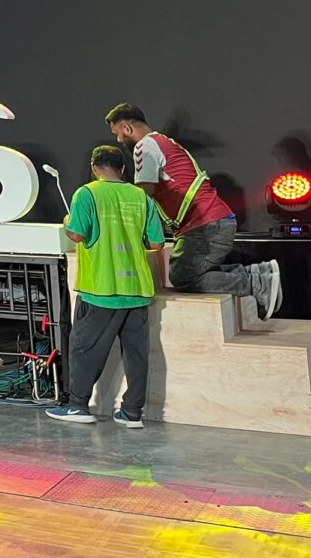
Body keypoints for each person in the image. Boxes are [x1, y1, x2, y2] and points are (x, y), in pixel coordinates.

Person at [105, 103, 280, 317]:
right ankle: (258, 273)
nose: (119, 140)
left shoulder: (144, 147)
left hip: (204, 225)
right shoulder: (164, 142)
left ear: (127, 128)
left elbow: (143, 194)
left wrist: (122, 221)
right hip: (214, 221)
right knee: (190, 270)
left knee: (183, 277)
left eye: (117, 133)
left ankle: (256, 283)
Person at [46, 145, 165, 427]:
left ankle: (78, 406)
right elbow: (156, 243)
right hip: (137, 289)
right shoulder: (141, 197)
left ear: (94, 167)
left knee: (84, 350)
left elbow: (76, 234)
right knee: (136, 355)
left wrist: (67, 220)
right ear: (122, 169)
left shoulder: (87, 193)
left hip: (100, 289)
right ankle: (132, 413)